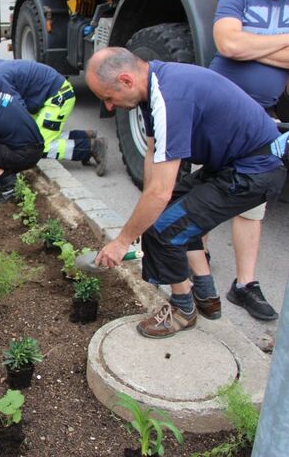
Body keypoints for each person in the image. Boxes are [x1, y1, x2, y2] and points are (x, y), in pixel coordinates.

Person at [87, 47, 286, 338]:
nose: (108, 106)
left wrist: (122, 241)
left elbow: (160, 194)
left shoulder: (170, 97)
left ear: (126, 81)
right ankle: (206, 295)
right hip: (236, 163)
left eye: (107, 97)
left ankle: (182, 309)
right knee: (176, 211)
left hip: (254, 171)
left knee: (162, 229)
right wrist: (150, 199)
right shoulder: (153, 85)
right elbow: (154, 153)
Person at [199, 0, 289, 321]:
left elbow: (241, 45)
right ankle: (200, 257)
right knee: (205, 188)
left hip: (261, 119)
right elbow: (229, 45)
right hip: (217, 111)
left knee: (253, 200)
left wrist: (253, 44)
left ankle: (245, 284)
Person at [0, 52, 108, 176]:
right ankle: (84, 136)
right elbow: (9, 103)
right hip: (53, 94)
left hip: (57, 97)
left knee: (38, 147)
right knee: (38, 133)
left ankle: (90, 147)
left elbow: (17, 106)